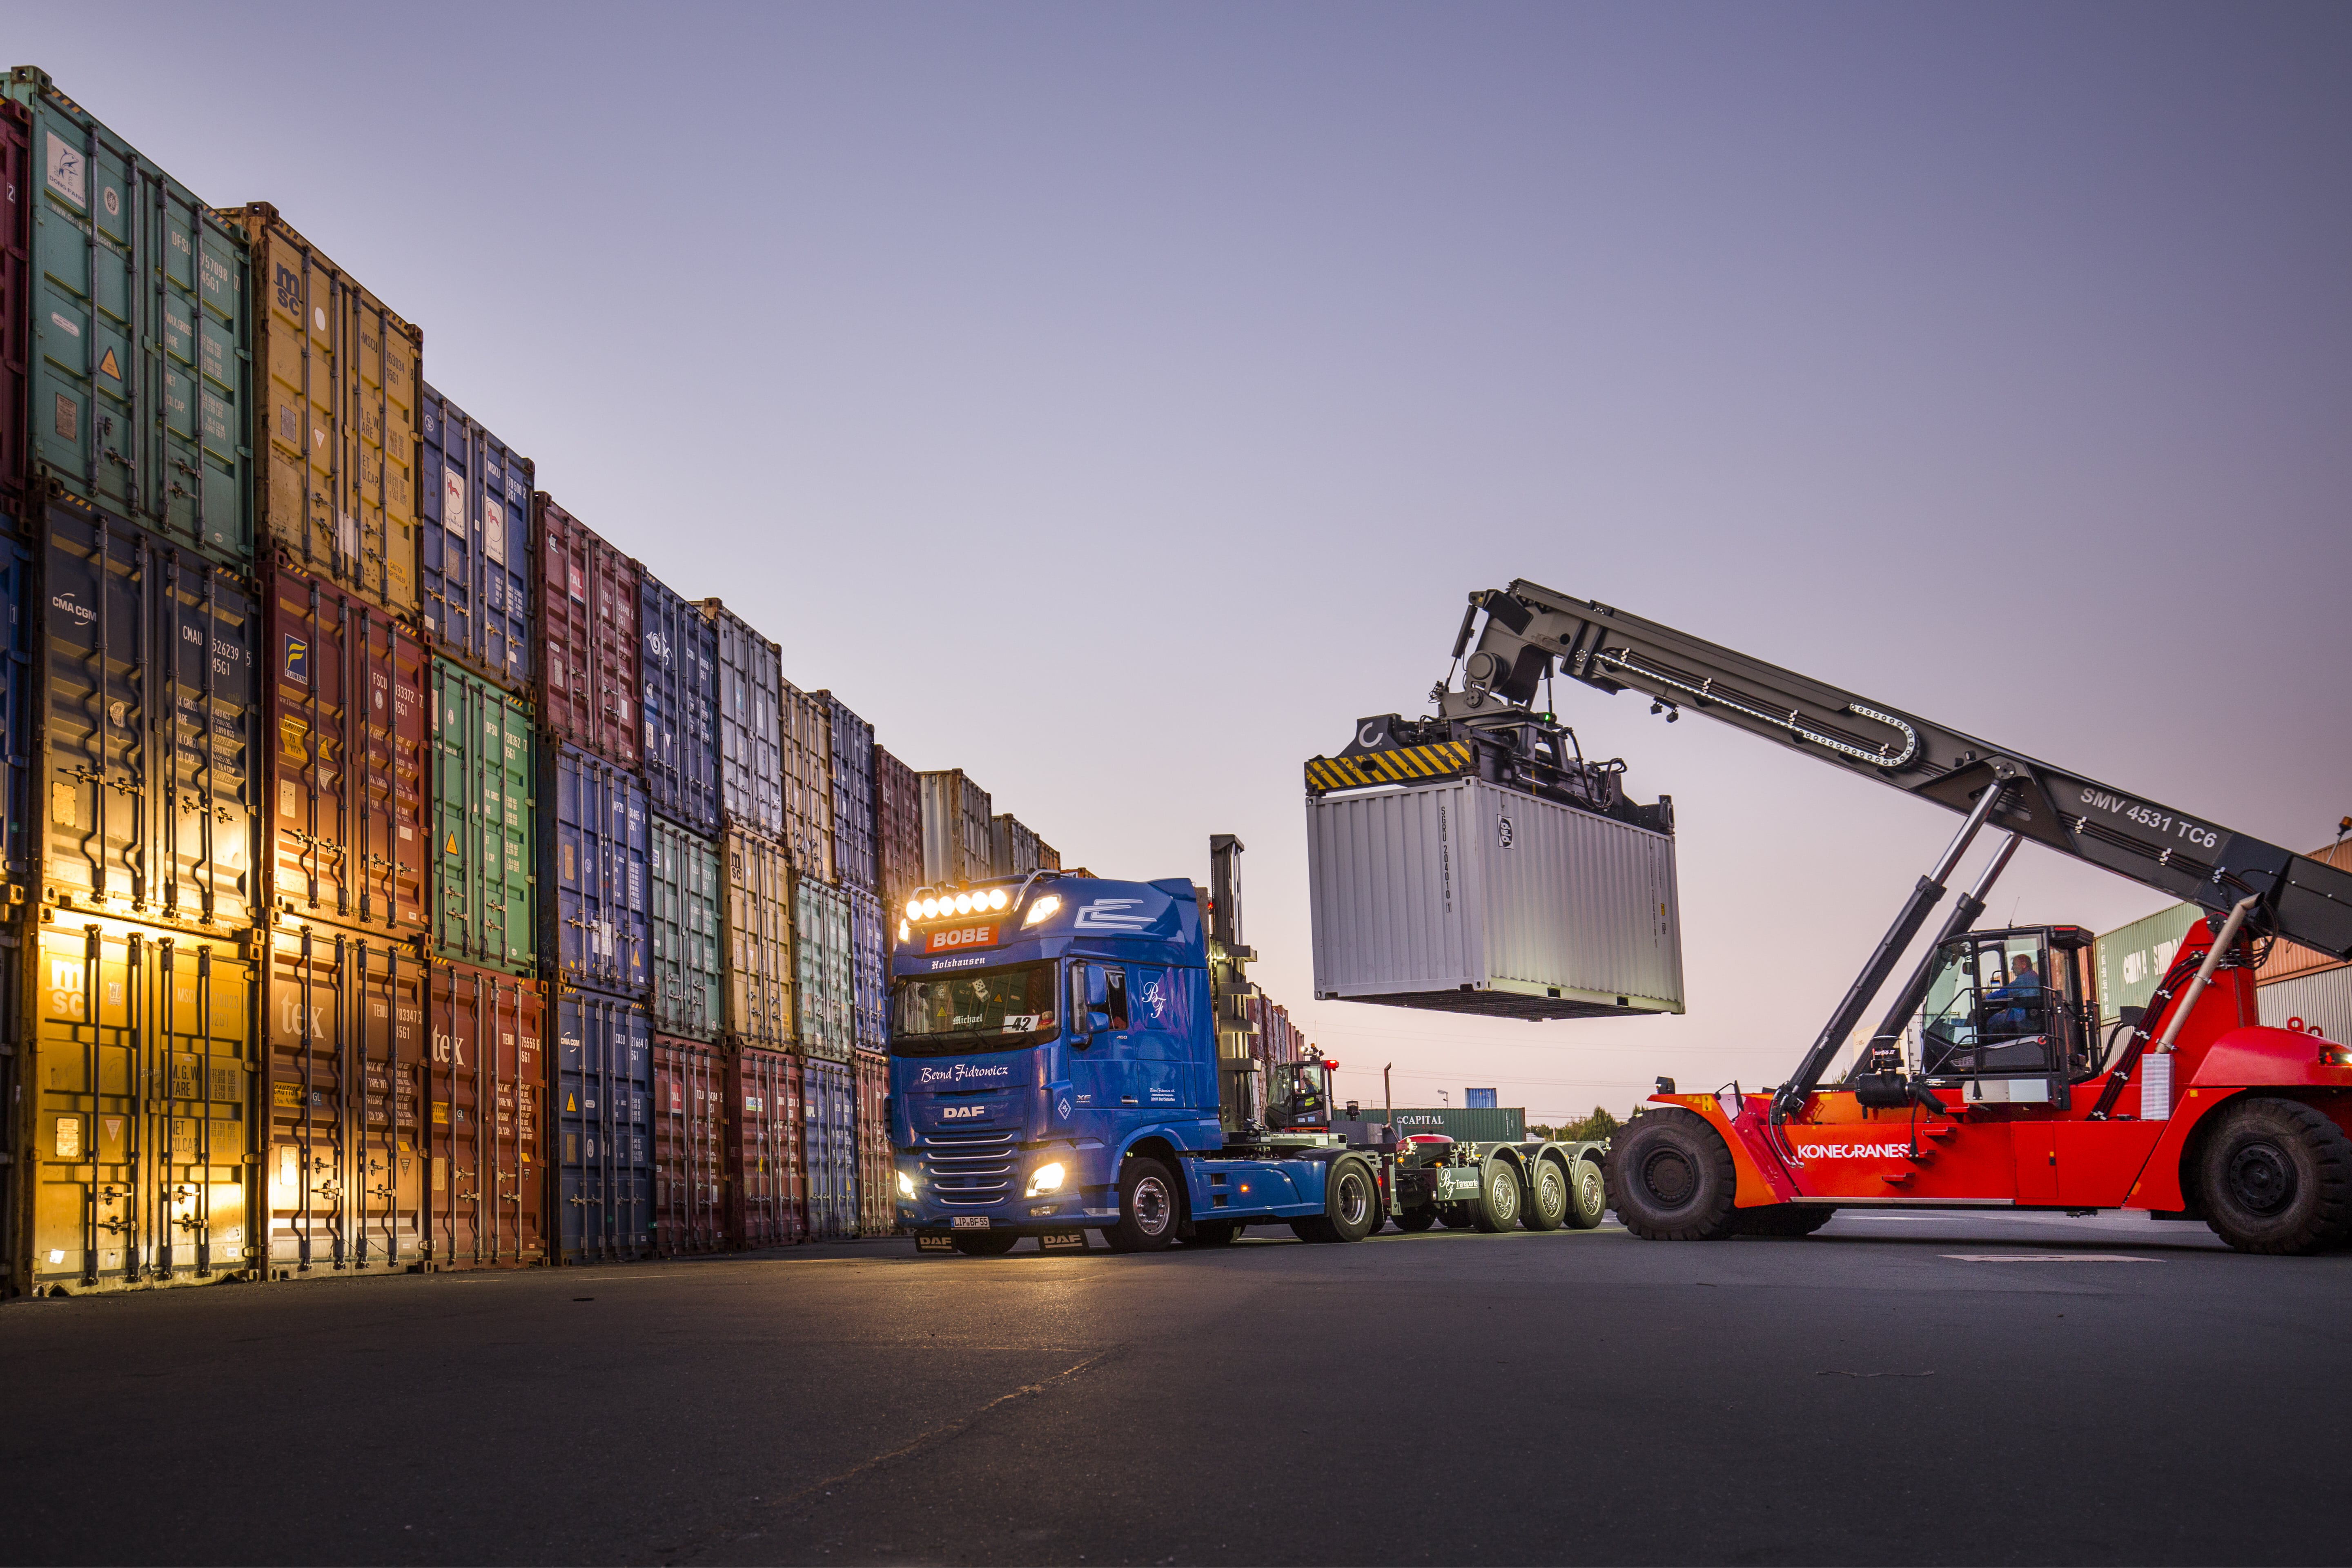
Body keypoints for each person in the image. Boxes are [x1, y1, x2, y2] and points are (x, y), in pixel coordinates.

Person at [1986, 953, 2042, 1036]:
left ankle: (1990, 1046)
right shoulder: (2034, 977)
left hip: (2022, 1020)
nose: (2012, 968)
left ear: (2024, 965)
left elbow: (2002, 993)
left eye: (2014, 965)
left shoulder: (2023, 980)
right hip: (2031, 1019)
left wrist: (1986, 996)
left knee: (1991, 1021)